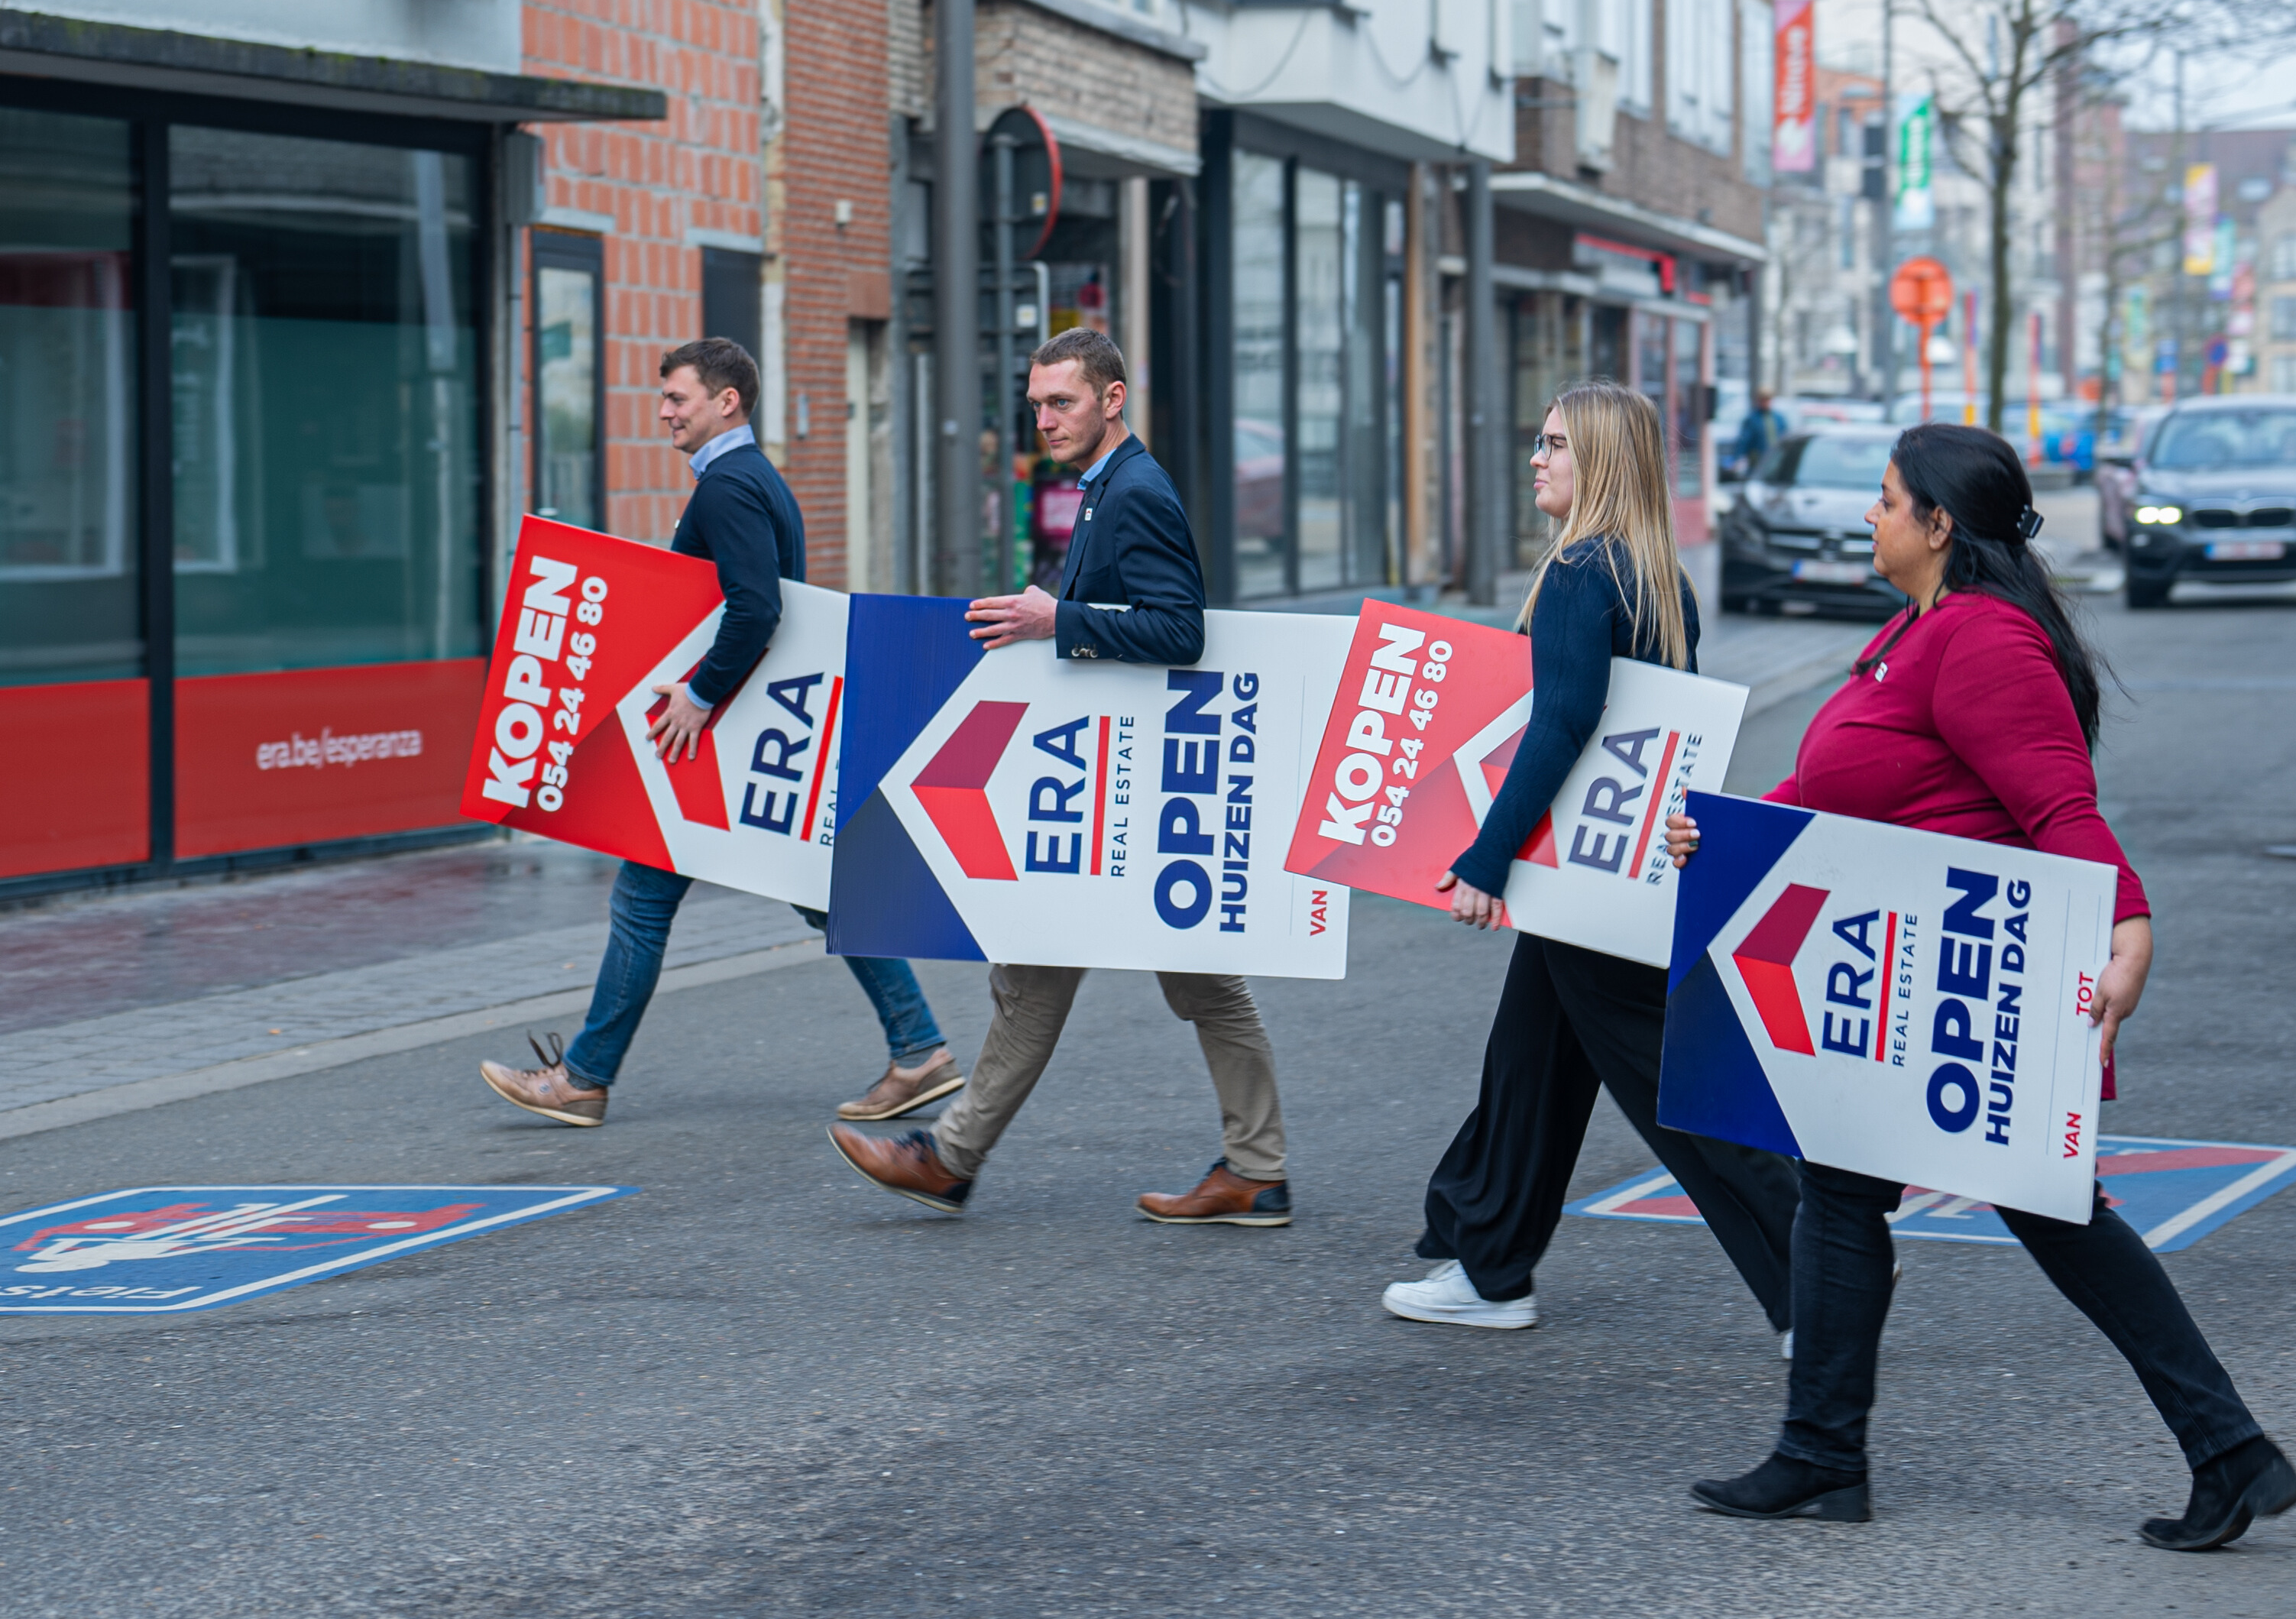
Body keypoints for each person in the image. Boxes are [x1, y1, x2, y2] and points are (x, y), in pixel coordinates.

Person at [1666, 423, 2296, 1549]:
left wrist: (2129, 922)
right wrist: (1728, 835)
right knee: (1852, 1194)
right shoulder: (1914, 629)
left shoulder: (1984, 643)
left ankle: (2228, 1451)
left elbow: (2063, 808)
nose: (1868, 515)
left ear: (1939, 526)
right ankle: (1826, 1456)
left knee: (2046, 1214)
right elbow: (1843, 781)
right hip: (1910, 981)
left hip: (1969, 984)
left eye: (1884, 499)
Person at [827, 329, 1295, 1227]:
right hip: (1111, 787)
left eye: (1062, 402)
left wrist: (1059, 618)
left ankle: (1254, 1168)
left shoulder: (1135, 493)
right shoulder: (1104, 489)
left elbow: (1180, 631)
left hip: (1146, 792)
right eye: (1037, 403)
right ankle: (953, 1157)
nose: (1044, 418)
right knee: (1036, 969)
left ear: (1112, 398)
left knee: (1196, 981)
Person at [1381, 379, 1802, 1342]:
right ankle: (1492, 1267)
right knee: (1531, 1060)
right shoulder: (1656, 578)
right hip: (1620, 863)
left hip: (1590, 871)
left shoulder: (1580, 573)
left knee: (1663, 1079)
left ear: (1602, 462)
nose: (1537, 456)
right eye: (1539, 440)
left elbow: (1560, 724)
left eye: (1557, 444)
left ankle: (1814, 1276)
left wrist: (1488, 859)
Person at [481, 338, 960, 1129]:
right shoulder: (749, 478)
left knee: (644, 901)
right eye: (664, 398)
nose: (663, 412)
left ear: (725, 400)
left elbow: (756, 608)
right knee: (809, 892)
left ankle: (583, 1079)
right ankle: (919, 1049)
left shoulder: (728, 487)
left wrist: (700, 696)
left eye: (677, 398)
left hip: (720, 735)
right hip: (756, 732)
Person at [1728, 389, 1787, 480]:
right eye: (1763, 400)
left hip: (1775, 460)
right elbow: (1744, 440)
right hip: (1757, 460)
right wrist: (1737, 458)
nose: (1766, 402)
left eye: (1768, 400)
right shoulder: (1752, 419)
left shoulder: (1779, 418)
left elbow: (1785, 437)